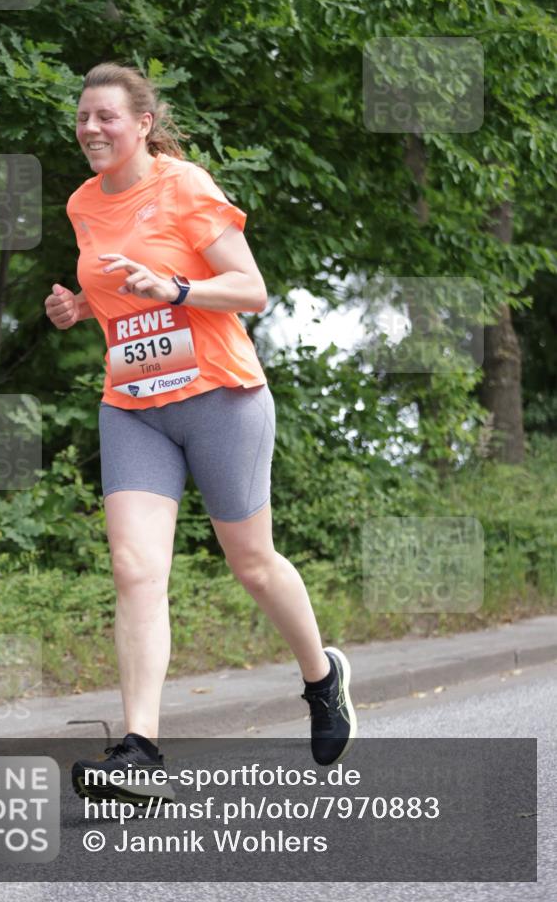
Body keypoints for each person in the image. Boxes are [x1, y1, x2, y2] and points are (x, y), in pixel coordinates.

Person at [44, 62, 356, 799]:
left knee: (251, 563)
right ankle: (140, 749)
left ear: (143, 124)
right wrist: (81, 310)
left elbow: (250, 289)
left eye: (106, 117)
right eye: (83, 116)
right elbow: (121, 291)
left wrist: (179, 288)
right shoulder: (83, 204)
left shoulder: (184, 186)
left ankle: (320, 676)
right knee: (133, 567)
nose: (90, 128)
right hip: (132, 404)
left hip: (218, 395)